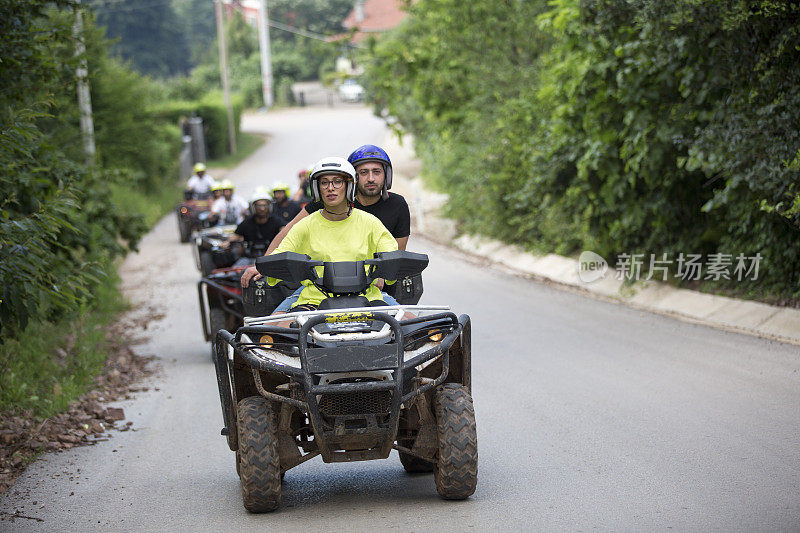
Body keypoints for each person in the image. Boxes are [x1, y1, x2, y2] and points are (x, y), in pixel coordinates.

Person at [241, 144, 410, 289]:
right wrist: (265, 264)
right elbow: (290, 233)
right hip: (320, 288)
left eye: (377, 172)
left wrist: (381, 272)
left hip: (373, 285)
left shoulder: (385, 214)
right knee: (272, 324)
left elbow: (395, 254)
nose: (371, 178)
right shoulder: (325, 205)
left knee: (408, 324)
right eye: (364, 172)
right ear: (354, 178)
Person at [265, 157, 398, 316]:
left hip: (368, 299)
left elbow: (393, 255)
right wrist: (265, 266)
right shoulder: (304, 226)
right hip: (314, 302)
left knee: (417, 330)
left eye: (337, 181)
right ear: (316, 188)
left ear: (349, 186)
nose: (330, 188)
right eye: (324, 183)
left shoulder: (370, 223)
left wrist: (389, 268)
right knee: (270, 333)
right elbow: (280, 255)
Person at [221, 188, 283, 267]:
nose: (262, 209)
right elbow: (235, 236)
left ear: (269, 206)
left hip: (271, 258)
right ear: (253, 207)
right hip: (249, 259)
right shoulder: (247, 222)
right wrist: (227, 242)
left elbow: (285, 230)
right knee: (232, 274)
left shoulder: (276, 221)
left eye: (265, 205)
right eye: (259, 206)